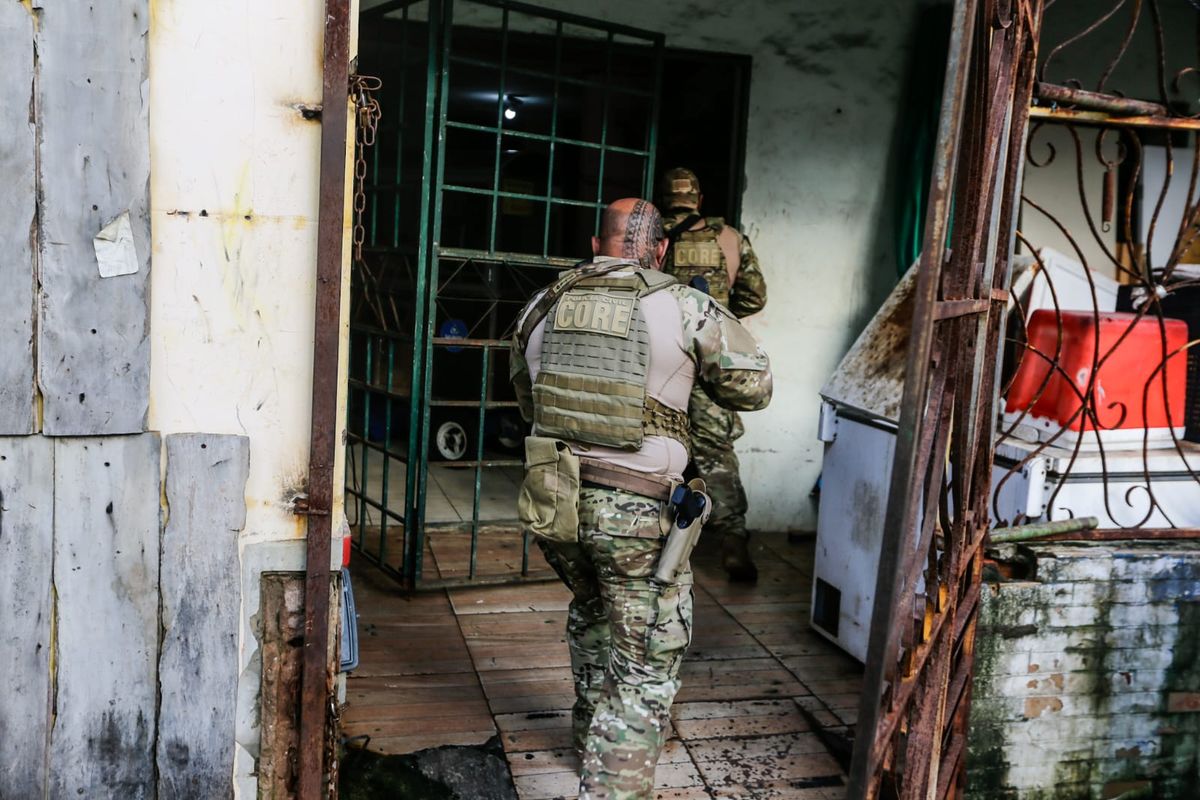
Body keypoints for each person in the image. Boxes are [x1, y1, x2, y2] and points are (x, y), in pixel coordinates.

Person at [510, 198, 772, 799]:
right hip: (636, 509)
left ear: (596, 244)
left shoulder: (542, 303)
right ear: (659, 251)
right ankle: (614, 786)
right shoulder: (681, 303)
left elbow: (528, 400)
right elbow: (754, 388)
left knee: (594, 610)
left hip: (557, 504)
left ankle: (589, 741)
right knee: (645, 661)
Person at [659, 167, 768, 582]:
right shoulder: (728, 238)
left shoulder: (651, 236)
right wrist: (717, 319)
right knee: (715, 452)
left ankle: (658, 539)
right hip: (710, 361)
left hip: (661, 363)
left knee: (654, 444)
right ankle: (733, 542)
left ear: (666, 199)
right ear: (699, 199)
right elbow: (755, 294)